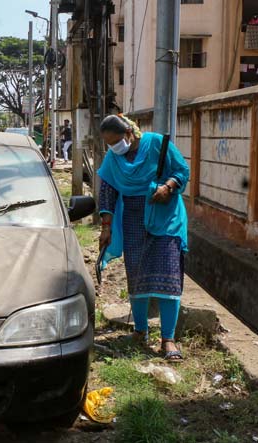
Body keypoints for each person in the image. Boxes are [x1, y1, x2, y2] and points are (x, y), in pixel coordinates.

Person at [97, 114, 190, 361]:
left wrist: (168, 187)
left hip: (165, 219)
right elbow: (108, 190)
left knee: (168, 279)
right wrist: (106, 226)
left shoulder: (157, 144)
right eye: (109, 144)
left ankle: (168, 339)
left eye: (117, 141)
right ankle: (140, 331)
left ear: (129, 133)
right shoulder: (114, 158)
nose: (115, 147)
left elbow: (182, 170)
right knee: (136, 276)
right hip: (133, 221)